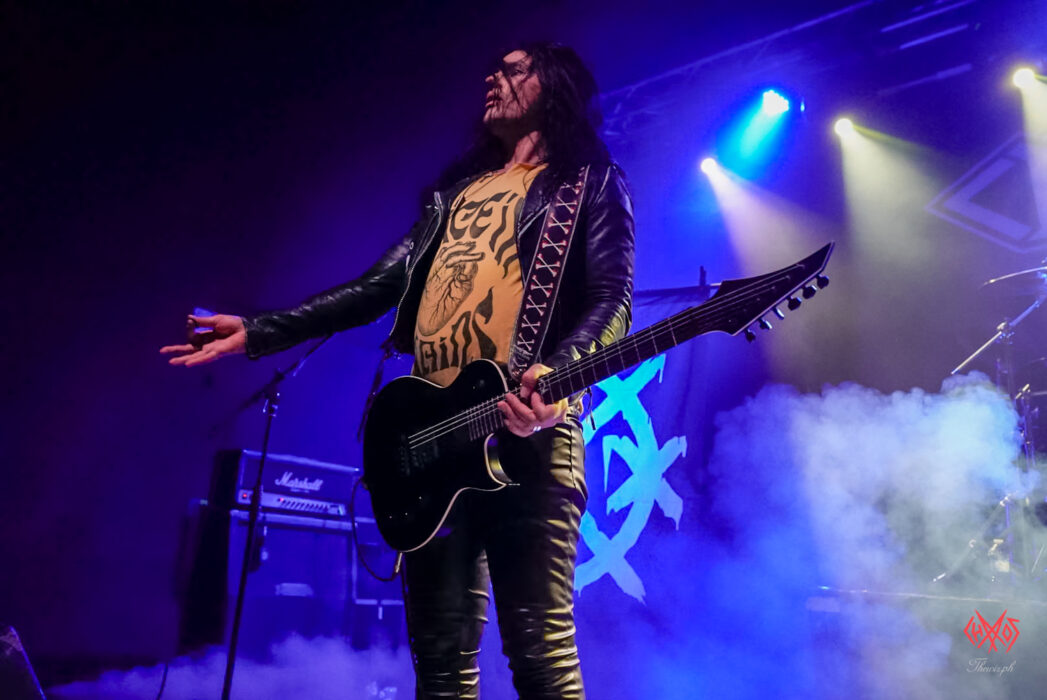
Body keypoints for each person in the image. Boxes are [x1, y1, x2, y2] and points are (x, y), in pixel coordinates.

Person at [161, 41, 634, 699]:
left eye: (512, 69)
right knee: (440, 669)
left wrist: (559, 371)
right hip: (432, 441)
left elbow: (612, 299)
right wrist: (260, 330)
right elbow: (373, 288)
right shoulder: (455, 194)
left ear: (553, 85)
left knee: (540, 659)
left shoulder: (587, 181)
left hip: (528, 434)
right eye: (492, 68)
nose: (492, 77)